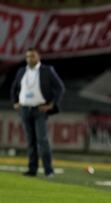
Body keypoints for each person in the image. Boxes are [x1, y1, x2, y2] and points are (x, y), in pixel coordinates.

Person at [10, 48, 65, 177]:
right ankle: (32, 169)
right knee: (30, 141)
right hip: (25, 109)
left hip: (39, 109)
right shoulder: (22, 71)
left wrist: (51, 104)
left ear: (38, 57)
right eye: (28, 56)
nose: (30, 59)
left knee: (42, 140)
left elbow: (60, 87)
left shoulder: (47, 70)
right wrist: (15, 102)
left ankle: (48, 170)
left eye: (32, 56)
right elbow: (14, 88)